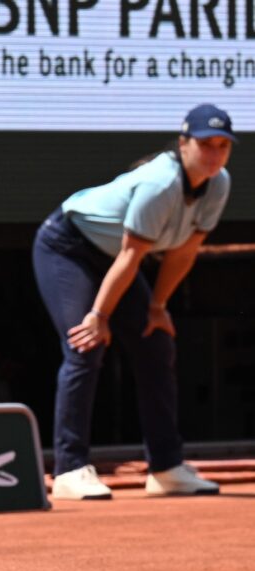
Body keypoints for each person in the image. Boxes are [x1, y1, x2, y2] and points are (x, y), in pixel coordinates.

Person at [33, 103, 235, 501]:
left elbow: (182, 254)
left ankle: (165, 467)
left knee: (156, 343)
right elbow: (131, 256)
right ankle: (71, 469)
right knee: (86, 344)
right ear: (184, 144)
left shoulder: (220, 183)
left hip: (115, 260)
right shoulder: (160, 184)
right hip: (67, 248)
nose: (214, 154)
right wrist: (98, 316)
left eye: (222, 146)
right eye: (205, 144)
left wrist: (157, 308)